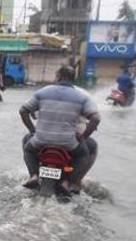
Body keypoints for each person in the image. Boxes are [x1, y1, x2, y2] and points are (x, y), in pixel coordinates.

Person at [19, 65, 101, 195]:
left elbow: (23, 111)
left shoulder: (43, 92)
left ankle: (33, 175)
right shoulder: (82, 96)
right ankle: (69, 181)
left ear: (58, 77)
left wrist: (32, 130)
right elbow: (95, 119)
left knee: (28, 149)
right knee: (83, 154)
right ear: (73, 79)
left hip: (40, 140)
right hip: (68, 143)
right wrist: (83, 136)